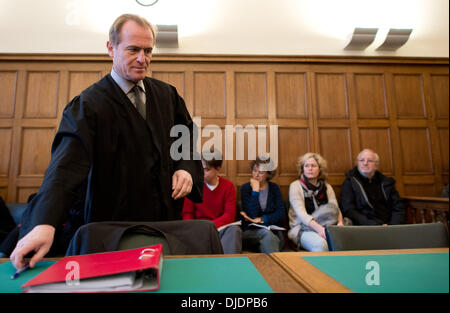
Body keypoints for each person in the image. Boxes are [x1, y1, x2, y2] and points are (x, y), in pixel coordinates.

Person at [10, 14, 203, 270]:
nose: (142, 59)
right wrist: (44, 223)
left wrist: (185, 168)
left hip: (163, 222)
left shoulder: (167, 95)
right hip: (111, 228)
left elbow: (186, 136)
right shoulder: (88, 106)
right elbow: (65, 168)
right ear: (111, 48)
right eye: (133, 50)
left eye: (147, 50)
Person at [182, 149, 242, 254]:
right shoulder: (194, 185)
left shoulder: (228, 186)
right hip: (199, 230)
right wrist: (196, 228)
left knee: (234, 230)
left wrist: (210, 226)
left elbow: (229, 215)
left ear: (218, 169)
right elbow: (187, 213)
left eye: (206, 169)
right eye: (200, 168)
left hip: (219, 229)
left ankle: (228, 266)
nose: (202, 173)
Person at [288, 153, 344, 252]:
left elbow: (335, 208)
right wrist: (320, 230)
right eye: (306, 166)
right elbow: (302, 214)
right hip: (302, 228)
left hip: (328, 225)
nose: (310, 168)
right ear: (302, 169)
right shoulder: (295, 186)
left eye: (313, 166)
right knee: (322, 245)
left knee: (344, 243)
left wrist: (340, 224)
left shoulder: (327, 187)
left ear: (320, 169)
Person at [340, 148, 406, 225]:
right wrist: (375, 226)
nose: (365, 163)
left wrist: (393, 226)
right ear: (357, 163)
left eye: (370, 161)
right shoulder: (349, 182)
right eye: (361, 160)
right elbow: (349, 210)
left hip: (389, 225)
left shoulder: (386, 182)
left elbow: (398, 206)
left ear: (376, 165)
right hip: (366, 227)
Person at [240, 157, 285, 254]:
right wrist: (255, 191)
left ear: (268, 174)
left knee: (270, 238)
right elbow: (252, 214)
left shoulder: (274, 188)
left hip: (273, 230)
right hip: (251, 232)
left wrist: (263, 219)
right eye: (254, 171)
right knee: (267, 236)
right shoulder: (245, 188)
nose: (256, 175)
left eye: (260, 172)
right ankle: (274, 265)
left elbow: (281, 213)